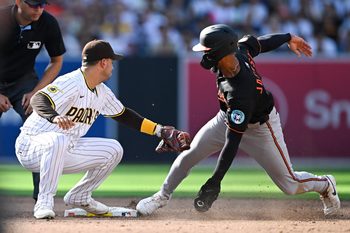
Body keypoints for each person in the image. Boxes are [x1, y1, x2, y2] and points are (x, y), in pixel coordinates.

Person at [136, 24, 341, 216]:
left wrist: (215, 181)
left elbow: (232, 142)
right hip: (225, 118)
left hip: (261, 128)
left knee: (290, 184)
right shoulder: (239, 49)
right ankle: (161, 196)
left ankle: (325, 184)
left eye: (206, 50)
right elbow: (262, 42)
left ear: (220, 51)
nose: (204, 54)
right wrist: (288, 37)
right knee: (190, 154)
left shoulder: (240, 91)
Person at [14, 39, 190, 219]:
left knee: (113, 149)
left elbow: (124, 115)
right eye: (111, 62)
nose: (112, 67)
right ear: (103, 63)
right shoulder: (72, 81)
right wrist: (55, 116)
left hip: (64, 149)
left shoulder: (102, 92)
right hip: (31, 146)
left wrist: (159, 131)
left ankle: (80, 195)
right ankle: (44, 202)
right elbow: (38, 99)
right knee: (58, 139)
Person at [0, 0, 66, 203]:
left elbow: (56, 62)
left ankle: (43, 195)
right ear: (19, 2)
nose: (39, 9)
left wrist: (37, 92)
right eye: (34, 4)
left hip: (24, 81)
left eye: (42, 4)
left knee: (42, 125)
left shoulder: (47, 23)